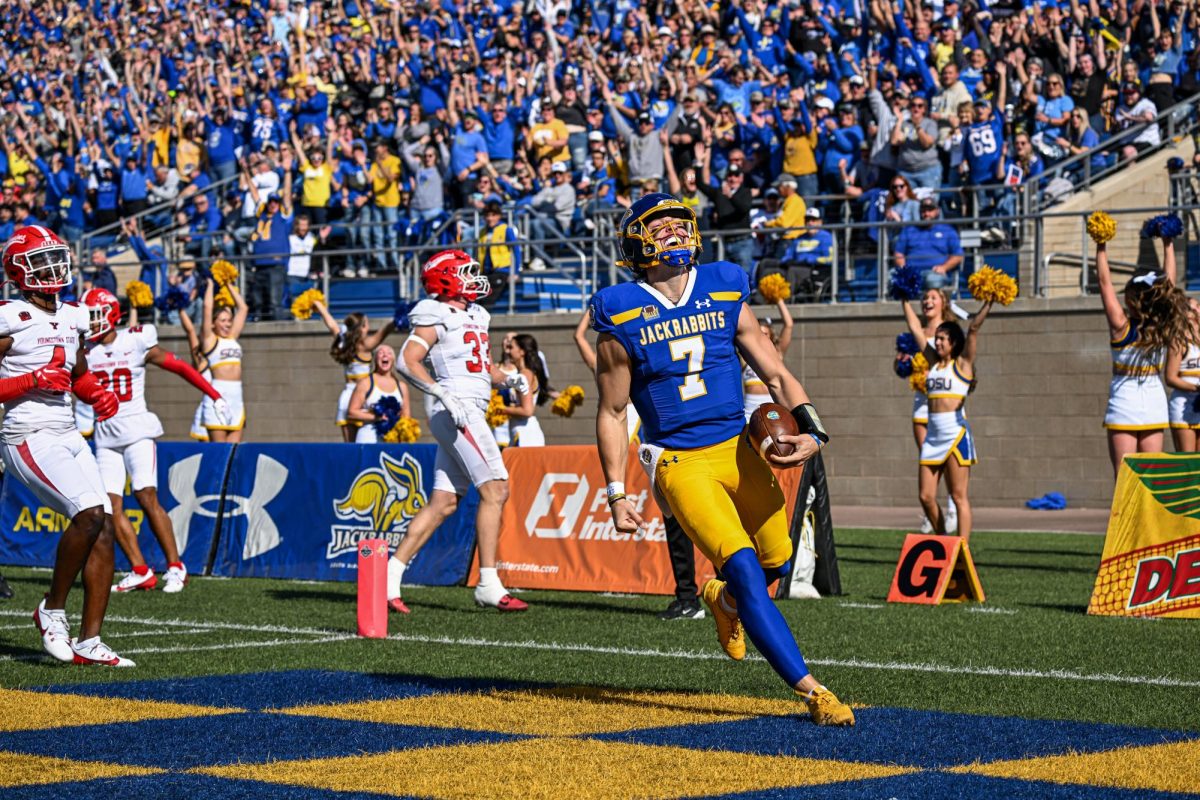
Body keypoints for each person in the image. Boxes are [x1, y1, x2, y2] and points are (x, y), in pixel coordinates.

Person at [592, 194, 853, 725]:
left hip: (736, 447)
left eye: (677, 223)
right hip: (679, 461)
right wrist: (617, 493)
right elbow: (613, 410)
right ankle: (813, 691)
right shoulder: (619, 310)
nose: (672, 233)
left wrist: (814, 428)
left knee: (776, 563)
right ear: (636, 243)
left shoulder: (725, 285)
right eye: (659, 226)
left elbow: (776, 374)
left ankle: (723, 601)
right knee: (746, 569)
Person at [0, 226, 129, 666]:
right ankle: (51, 609)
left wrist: (97, 394)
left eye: (55, 257)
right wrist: (29, 380)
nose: (53, 267)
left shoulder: (74, 315)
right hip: (27, 435)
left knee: (106, 525)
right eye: (40, 260)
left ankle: (90, 641)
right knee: (89, 514)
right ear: (20, 270)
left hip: (69, 432)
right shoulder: (9, 316)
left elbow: (77, 374)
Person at [390, 249, 528, 614]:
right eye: (464, 272)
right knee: (496, 488)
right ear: (446, 278)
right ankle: (488, 583)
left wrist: (508, 379)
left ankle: (388, 578)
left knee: (444, 503)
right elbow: (407, 360)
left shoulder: (476, 314)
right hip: (456, 408)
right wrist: (441, 393)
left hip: (466, 404)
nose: (473, 277)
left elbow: (481, 370)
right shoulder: (435, 313)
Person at [82, 289, 229, 593]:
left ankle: (176, 566)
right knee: (109, 507)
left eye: (95, 314)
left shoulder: (134, 341)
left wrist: (213, 393)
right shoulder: (84, 351)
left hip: (137, 431)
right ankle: (140, 570)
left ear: (111, 315)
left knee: (146, 495)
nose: (91, 321)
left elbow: (178, 365)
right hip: (106, 436)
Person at [573, 310, 702, 621]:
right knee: (679, 520)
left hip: (668, 441)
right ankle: (692, 595)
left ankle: (692, 595)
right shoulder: (639, 350)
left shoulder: (641, 354)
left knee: (682, 520)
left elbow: (581, 340)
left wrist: (591, 317)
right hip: (671, 440)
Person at [1097, 235, 1195, 475]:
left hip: (1125, 400)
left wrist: (1101, 245)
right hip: (1153, 400)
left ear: (1131, 301)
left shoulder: (1121, 325)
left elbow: (1104, 283)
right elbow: (1168, 286)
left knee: (1126, 480)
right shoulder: (1161, 325)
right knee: (1149, 480)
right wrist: (1168, 243)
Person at [903, 296, 993, 541]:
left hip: (955, 436)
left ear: (953, 343)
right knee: (926, 496)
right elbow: (914, 329)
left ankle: (962, 549)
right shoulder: (932, 362)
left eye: (942, 338)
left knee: (958, 495)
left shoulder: (963, 365)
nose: (937, 341)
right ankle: (943, 539)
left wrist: (990, 302)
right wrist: (903, 299)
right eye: (937, 338)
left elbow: (973, 328)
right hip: (933, 437)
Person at [901, 288, 963, 534]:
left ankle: (951, 506)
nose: (927, 301)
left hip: (945, 406)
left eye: (933, 297)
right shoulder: (919, 336)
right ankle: (932, 510)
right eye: (924, 297)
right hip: (922, 400)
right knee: (927, 459)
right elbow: (913, 332)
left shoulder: (950, 333)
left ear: (943, 302)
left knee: (950, 467)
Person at [314, 302, 394, 442]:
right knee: (369, 442)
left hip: (346, 397)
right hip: (362, 398)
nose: (369, 328)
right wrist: (398, 319)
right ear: (362, 328)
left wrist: (318, 305)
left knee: (350, 447)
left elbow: (331, 323)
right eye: (367, 324)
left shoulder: (342, 340)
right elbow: (384, 331)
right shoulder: (364, 345)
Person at [200, 279, 249, 442]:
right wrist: (211, 286)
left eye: (229, 320)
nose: (227, 324)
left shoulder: (232, 337)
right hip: (218, 395)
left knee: (235, 453)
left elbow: (243, 308)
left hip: (237, 396)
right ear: (213, 324)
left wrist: (228, 284)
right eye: (222, 320)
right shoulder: (210, 340)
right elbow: (207, 308)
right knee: (219, 452)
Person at [894, 198, 964, 290]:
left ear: (937, 211)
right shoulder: (909, 229)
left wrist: (944, 267)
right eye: (923, 210)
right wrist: (904, 270)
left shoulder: (947, 230)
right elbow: (899, 253)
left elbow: (958, 255)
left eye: (930, 210)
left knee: (932, 280)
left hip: (935, 272)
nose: (926, 214)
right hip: (912, 272)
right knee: (891, 278)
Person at [347, 345, 411, 443]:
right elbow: (351, 412)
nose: (385, 355)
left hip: (392, 440)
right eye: (381, 353)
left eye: (389, 353)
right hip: (368, 438)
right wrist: (377, 417)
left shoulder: (402, 386)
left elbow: (406, 416)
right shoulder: (366, 383)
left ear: (393, 359)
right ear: (375, 359)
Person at [743, 299, 794, 421]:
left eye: (766, 333)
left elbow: (789, 325)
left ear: (771, 335)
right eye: (760, 333)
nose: (762, 336)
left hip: (771, 403)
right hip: (750, 406)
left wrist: (778, 298)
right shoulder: (745, 354)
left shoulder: (777, 353)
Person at [499, 333, 549, 447]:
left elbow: (527, 411)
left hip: (526, 435)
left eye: (511, 347)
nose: (508, 351)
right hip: (520, 431)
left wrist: (499, 409)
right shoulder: (524, 373)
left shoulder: (525, 374)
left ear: (522, 352)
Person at [1165, 298, 1200, 453]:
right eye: (1196, 307)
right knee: (1187, 463)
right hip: (1183, 404)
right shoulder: (1178, 340)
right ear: (1186, 314)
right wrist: (1196, 387)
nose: (1199, 309)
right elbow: (1170, 377)